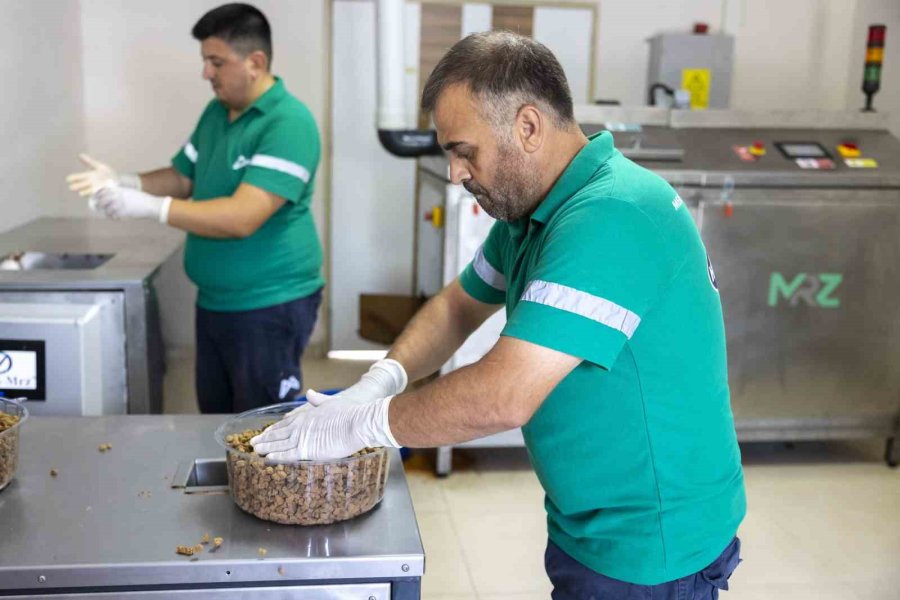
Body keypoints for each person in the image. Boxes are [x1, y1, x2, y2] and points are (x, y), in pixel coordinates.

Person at [252, 31, 746, 599]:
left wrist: (362, 424)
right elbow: (457, 307)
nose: (457, 173)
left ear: (528, 127)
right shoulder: (534, 215)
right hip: (589, 522)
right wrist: (379, 381)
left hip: (651, 544)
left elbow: (504, 394)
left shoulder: (612, 216)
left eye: (465, 151)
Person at [66, 4, 323, 414]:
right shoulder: (217, 113)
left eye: (216, 62)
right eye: (206, 60)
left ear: (255, 62)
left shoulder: (288, 123)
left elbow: (243, 217)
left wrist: (150, 207)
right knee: (217, 418)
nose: (206, 73)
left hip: (269, 303)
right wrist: (125, 182)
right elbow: (184, 177)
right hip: (216, 301)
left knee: (262, 428)